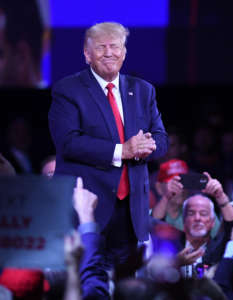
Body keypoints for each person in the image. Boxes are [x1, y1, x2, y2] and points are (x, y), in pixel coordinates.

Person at [48, 22, 168, 272]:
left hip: (131, 213)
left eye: (115, 46)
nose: (109, 52)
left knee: (127, 286)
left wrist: (146, 147)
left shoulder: (143, 90)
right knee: (86, 282)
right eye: (101, 47)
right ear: (86, 53)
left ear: (124, 52)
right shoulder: (68, 89)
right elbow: (68, 142)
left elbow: (162, 141)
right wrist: (122, 150)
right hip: (88, 208)